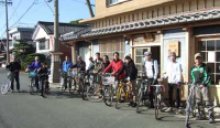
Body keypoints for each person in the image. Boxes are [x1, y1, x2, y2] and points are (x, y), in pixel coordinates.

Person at [190, 53, 212, 120]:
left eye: (199, 58)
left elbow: (208, 77)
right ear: (195, 60)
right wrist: (193, 84)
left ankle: (211, 116)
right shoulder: (192, 68)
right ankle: (201, 115)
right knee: (198, 101)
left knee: (207, 100)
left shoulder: (205, 67)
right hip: (196, 86)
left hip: (204, 86)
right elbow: (192, 77)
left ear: (201, 59)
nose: (198, 60)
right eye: (197, 58)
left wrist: (204, 84)